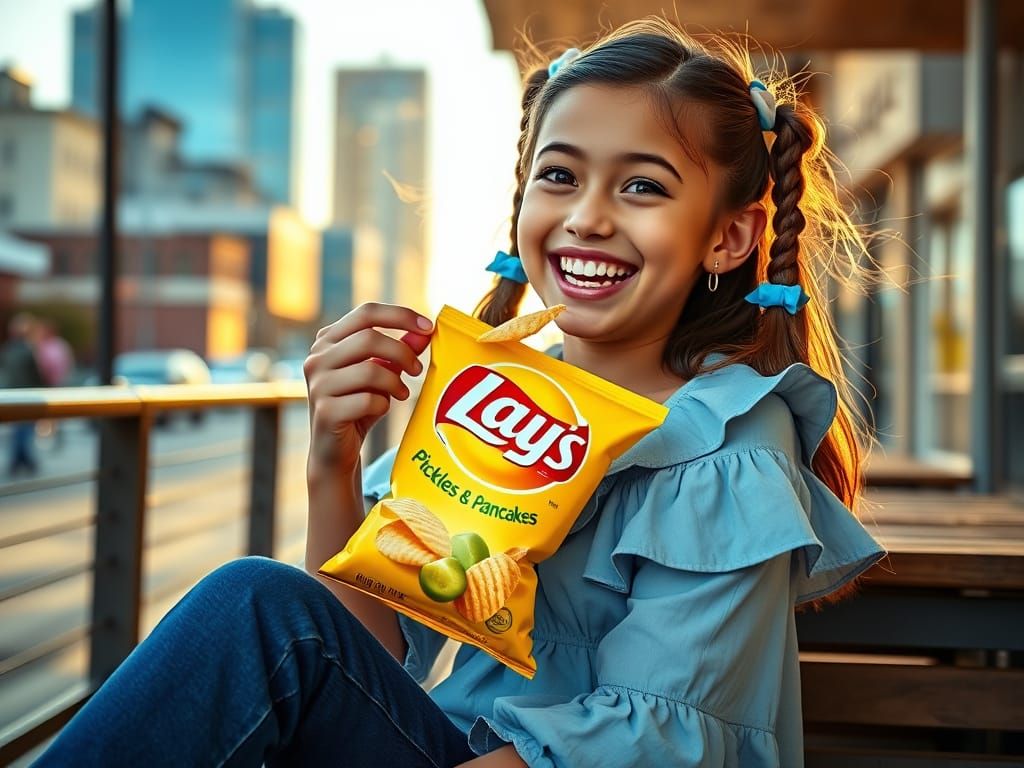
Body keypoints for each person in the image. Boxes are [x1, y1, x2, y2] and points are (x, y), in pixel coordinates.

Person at [36, 19, 884, 767]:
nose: (587, 216)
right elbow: (359, 654)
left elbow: (653, 739)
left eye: (642, 186)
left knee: (253, 605)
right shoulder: (490, 398)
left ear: (729, 237)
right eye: (560, 176)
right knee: (270, 608)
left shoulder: (727, 442)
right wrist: (334, 457)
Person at [1, 312, 45, 476]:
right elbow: (36, 375)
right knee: (24, 431)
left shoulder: (8, 349)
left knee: (19, 430)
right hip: (28, 395)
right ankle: (22, 461)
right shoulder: (27, 350)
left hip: (12, 394)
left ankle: (20, 461)